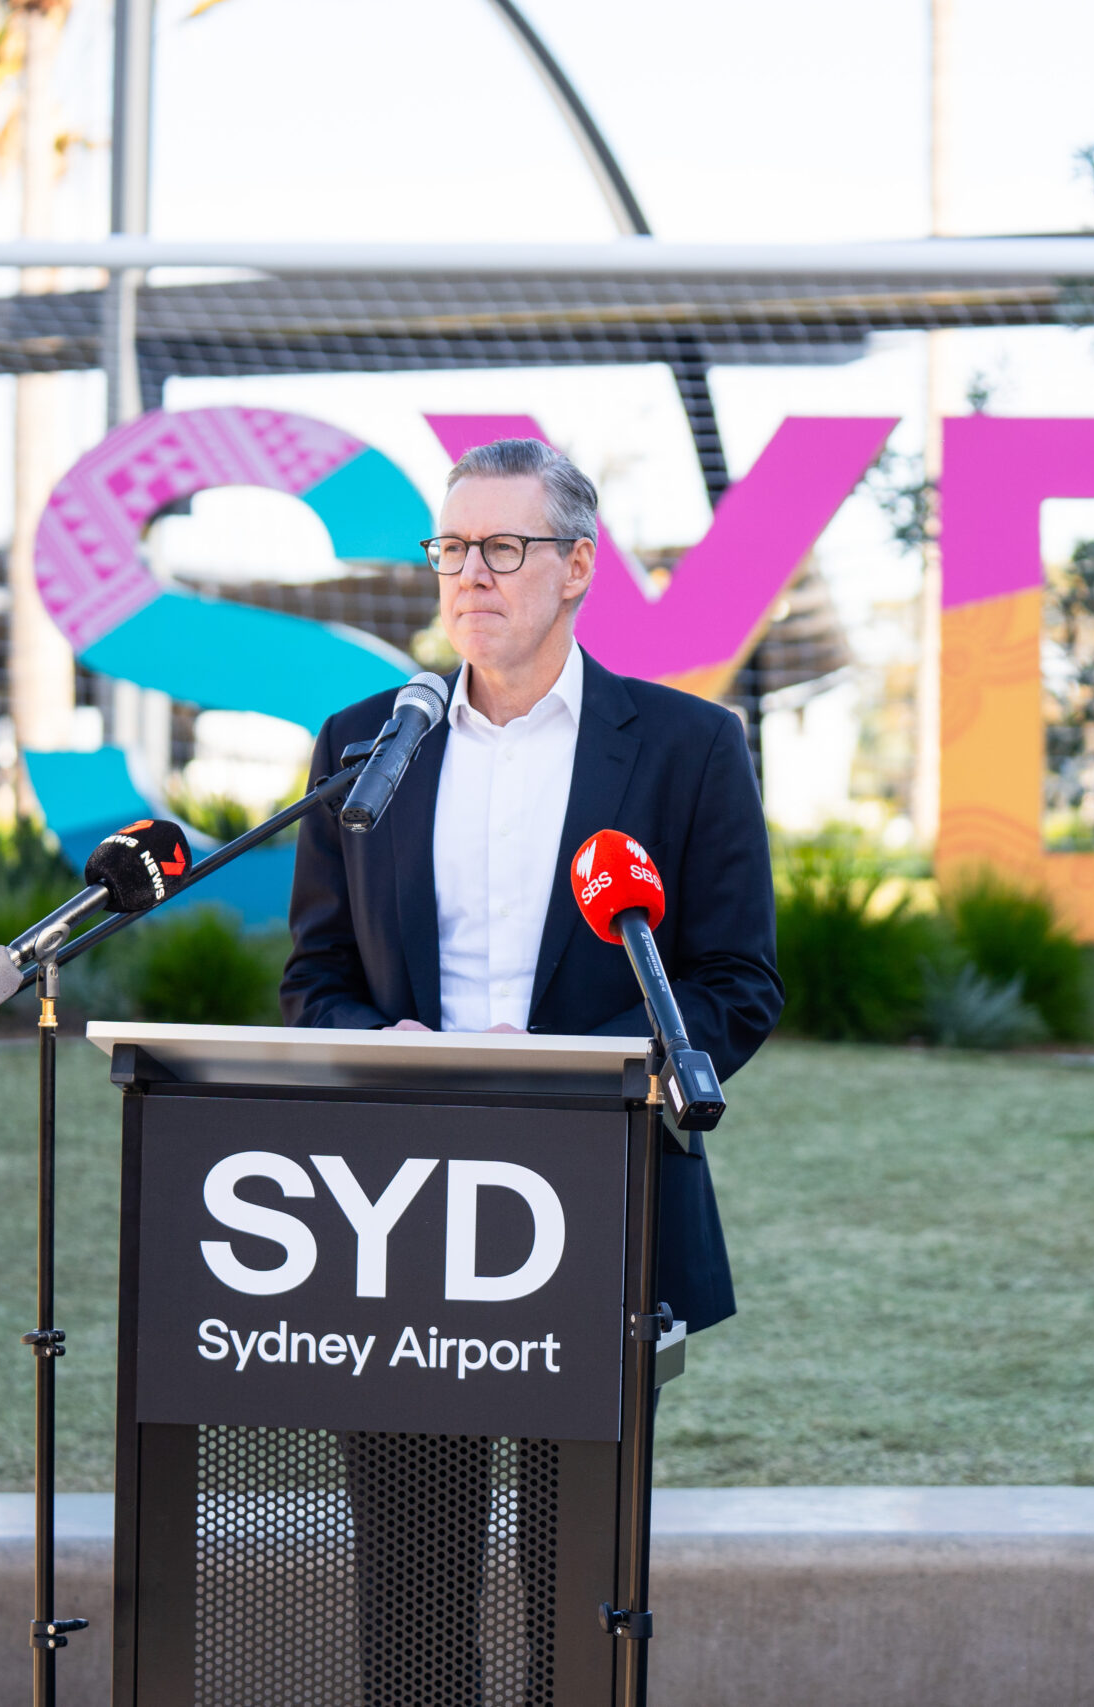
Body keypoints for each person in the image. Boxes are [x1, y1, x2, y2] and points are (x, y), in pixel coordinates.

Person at [282, 436, 782, 1702]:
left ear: (576, 569)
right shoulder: (366, 743)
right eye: (452, 548)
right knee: (410, 1607)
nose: (471, 576)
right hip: (395, 1220)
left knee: (578, 1607)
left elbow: (735, 985)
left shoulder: (684, 749)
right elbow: (316, 981)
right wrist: (372, 1045)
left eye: (503, 548)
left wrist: (584, 1060)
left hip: (595, 1200)